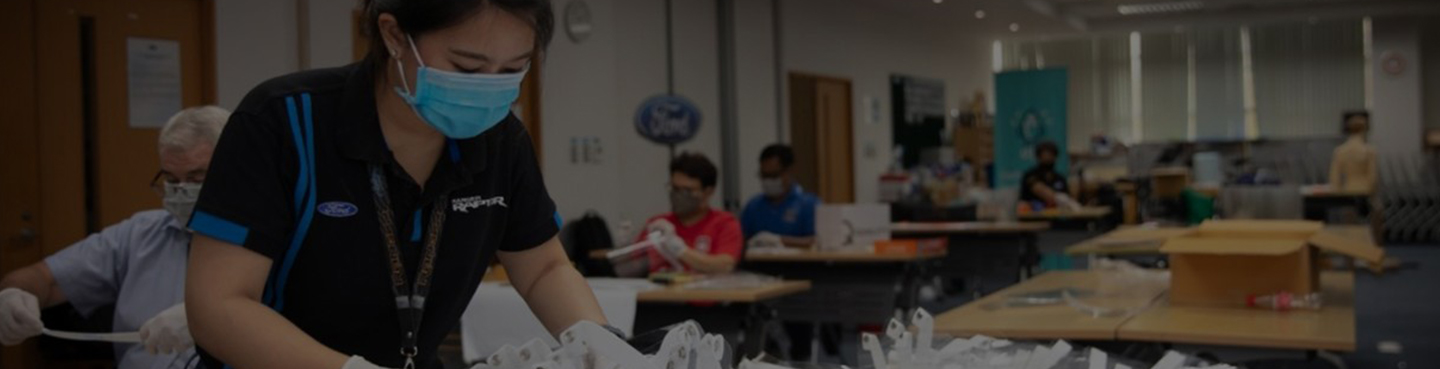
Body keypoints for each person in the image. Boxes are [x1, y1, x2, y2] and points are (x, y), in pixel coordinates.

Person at [184, 1, 609, 369]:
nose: (486, 86)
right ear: (394, 35)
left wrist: (603, 347)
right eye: (467, 66)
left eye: (512, 70)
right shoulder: (283, 122)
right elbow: (219, 305)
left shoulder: (501, 141)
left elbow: (544, 268)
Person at [0, 106, 230, 369]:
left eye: (196, 179)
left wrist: (213, 322)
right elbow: (43, 278)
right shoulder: (138, 234)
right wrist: (14, 293)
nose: (180, 193)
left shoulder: (265, 240)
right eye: (171, 180)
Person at [636, 153, 743, 275]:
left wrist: (679, 249)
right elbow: (632, 266)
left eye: (687, 190)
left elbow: (724, 265)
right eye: (675, 189)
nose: (678, 196)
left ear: (708, 192)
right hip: (660, 292)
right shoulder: (658, 224)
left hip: (706, 293)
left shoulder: (724, 223)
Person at [739, 144, 817, 249]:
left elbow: (816, 241)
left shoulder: (809, 204)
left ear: (789, 171)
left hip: (797, 264)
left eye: (774, 175)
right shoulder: (753, 206)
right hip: (758, 263)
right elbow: (740, 239)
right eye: (764, 176)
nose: (768, 181)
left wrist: (779, 240)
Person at [1018, 141, 1079, 209]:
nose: (1048, 158)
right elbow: (1042, 191)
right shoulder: (1030, 175)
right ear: (1039, 157)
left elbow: (1068, 195)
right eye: (1045, 155)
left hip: (1057, 216)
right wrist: (1065, 200)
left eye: (1051, 155)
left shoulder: (1060, 178)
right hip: (1034, 216)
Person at [1329, 111, 1377, 194]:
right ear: (1364, 129)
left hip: (1348, 189)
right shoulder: (1369, 151)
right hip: (1365, 190)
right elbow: (1373, 177)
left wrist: (1337, 193)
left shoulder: (1340, 151)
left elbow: (1334, 177)